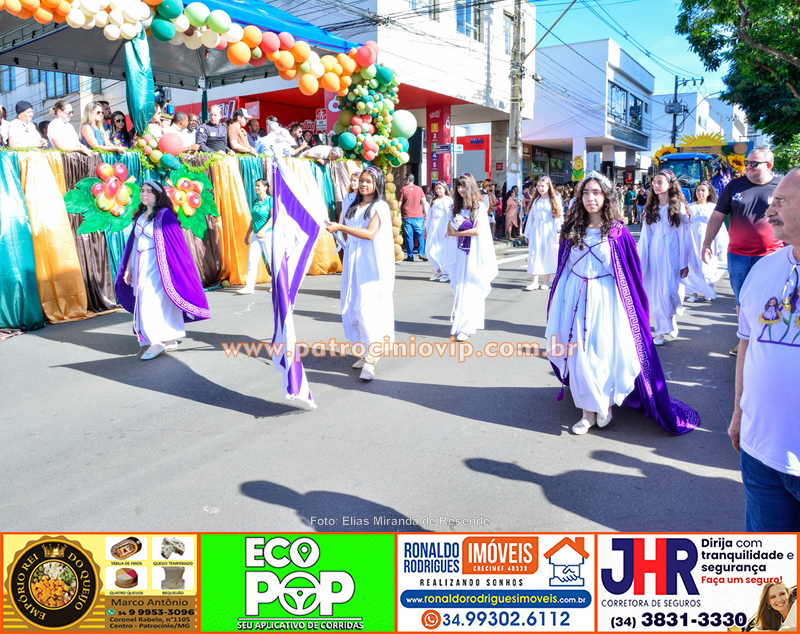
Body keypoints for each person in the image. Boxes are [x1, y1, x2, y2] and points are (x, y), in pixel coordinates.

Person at [545, 171, 700, 436]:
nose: (590, 198)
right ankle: (586, 413)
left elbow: (631, 274)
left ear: (606, 197)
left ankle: (603, 404)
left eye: (596, 193)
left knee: (602, 353)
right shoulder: (572, 230)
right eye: (585, 192)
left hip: (606, 300)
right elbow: (563, 268)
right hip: (574, 298)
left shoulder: (618, 233)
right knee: (579, 353)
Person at [729, 168, 800, 532]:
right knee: (773, 578)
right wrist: (739, 412)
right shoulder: (762, 271)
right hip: (761, 457)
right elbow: (747, 345)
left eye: (781, 202)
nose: (768, 211)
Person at [115, 181, 210, 360]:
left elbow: (176, 246)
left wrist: (172, 269)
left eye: (149, 192)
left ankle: (156, 341)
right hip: (140, 264)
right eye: (142, 191)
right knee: (151, 299)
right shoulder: (140, 216)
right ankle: (168, 338)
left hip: (159, 266)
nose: (144, 194)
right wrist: (128, 268)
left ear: (158, 195)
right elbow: (133, 244)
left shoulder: (165, 215)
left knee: (151, 299)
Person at [702, 147, 783, 356]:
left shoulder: (781, 187)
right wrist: (707, 243)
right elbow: (718, 216)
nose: (748, 167)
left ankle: (767, 339)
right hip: (738, 255)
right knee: (742, 300)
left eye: (754, 164)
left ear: (769, 165)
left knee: (771, 299)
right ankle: (744, 339)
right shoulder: (734, 186)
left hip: (772, 255)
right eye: (747, 163)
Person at [325, 167, 395, 381]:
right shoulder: (354, 205)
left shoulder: (380, 206)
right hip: (353, 261)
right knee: (354, 306)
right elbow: (347, 231)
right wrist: (335, 228)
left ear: (377, 184)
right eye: (361, 180)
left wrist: (341, 228)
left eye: (368, 181)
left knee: (367, 308)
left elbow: (370, 234)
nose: (364, 184)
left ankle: (372, 358)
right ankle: (366, 351)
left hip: (370, 263)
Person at [442, 172, 498, 342]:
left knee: (471, 288)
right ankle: (464, 324)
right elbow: (448, 231)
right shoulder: (454, 207)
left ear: (471, 187)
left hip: (473, 253)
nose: (460, 190)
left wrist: (459, 232)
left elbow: (477, 231)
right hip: (459, 254)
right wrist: (459, 232)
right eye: (458, 186)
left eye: (464, 186)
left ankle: (465, 327)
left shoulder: (479, 206)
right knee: (459, 289)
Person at [638, 170, 690, 346]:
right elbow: (646, 236)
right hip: (655, 251)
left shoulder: (678, 207)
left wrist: (684, 262)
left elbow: (683, 236)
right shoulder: (650, 207)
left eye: (660, 182)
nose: (656, 185)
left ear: (670, 184)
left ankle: (671, 316)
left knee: (671, 290)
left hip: (673, 251)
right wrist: (641, 260)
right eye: (655, 182)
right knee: (657, 291)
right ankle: (659, 332)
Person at [684, 181, 727, 302]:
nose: (700, 193)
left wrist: (721, 245)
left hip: (708, 241)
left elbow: (720, 227)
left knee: (709, 265)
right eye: (698, 190)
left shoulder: (713, 208)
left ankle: (708, 290)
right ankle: (694, 293)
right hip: (693, 241)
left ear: (708, 193)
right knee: (693, 265)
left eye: (703, 190)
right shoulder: (689, 207)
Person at [524, 176, 563, 291]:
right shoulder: (536, 201)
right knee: (535, 253)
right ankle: (534, 281)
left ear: (548, 187)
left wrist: (558, 233)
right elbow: (531, 218)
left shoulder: (555, 200)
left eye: (543, 186)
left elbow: (559, 219)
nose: (540, 188)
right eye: (539, 186)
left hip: (550, 231)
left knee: (548, 253)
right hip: (536, 230)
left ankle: (546, 281)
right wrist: (528, 233)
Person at [238, 178, 273, 295]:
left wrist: (263, 230)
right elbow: (253, 220)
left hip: (267, 234)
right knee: (252, 260)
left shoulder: (270, 200)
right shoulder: (255, 202)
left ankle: (277, 284)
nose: (256, 188)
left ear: (265, 187)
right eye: (256, 186)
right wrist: (247, 234)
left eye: (259, 186)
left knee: (271, 260)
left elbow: (274, 218)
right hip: (255, 236)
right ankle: (249, 287)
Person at [426, 181, 453, 283]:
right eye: (436, 188)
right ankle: (438, 270)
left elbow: (450, 216)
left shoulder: (449, 200)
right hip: (434, 227)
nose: (438, 190)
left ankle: (445, 272)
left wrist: (449, 228)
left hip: (444, 226)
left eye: (440, 188)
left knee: (442, 249)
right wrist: (427, 229)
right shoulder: (434, 201)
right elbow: (429, 216)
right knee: (430, 249)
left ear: (445, 189)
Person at [398, 174, 427, 262]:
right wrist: (425, 214)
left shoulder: (403, 189)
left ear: (408, 180)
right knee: (420, 235)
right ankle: (421, 253)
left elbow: (400, 203)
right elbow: (424, 202)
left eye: (404, 179)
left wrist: (398, 213)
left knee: (409, 237)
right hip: (418, 216)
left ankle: (410, 256)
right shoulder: (419, 189)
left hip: (407, 216)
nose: (404, 181)